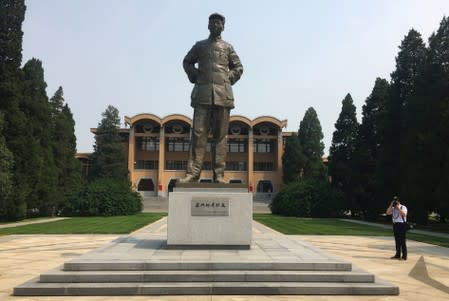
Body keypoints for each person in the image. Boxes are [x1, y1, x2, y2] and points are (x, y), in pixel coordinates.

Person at [179, 13, 243, 184]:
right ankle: (193, 173)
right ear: (208, 25)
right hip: (203, 94)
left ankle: (219, 175)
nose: (216, 25)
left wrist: (229, 78)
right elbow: (187, 62)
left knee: (221, 136)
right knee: (198, 134)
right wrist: (195, 75)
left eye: (219, 22)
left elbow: (239, 67)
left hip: (223, 95)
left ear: (223, 26)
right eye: (213, 22)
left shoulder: (228, 48)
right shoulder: (199, 46)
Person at [386, 196, 408, 260]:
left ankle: (404, 256)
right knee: (397, 240)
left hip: (402, 225)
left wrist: (398, 208)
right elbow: (387, 213)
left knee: (402, 241)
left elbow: (404, 215)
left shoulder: (403, 207)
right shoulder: (393, 208)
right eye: (394, 201)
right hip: (395, 225)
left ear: (399, 201)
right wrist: (391, 205)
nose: (395, 202)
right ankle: (397, 255)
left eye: (396, 201)